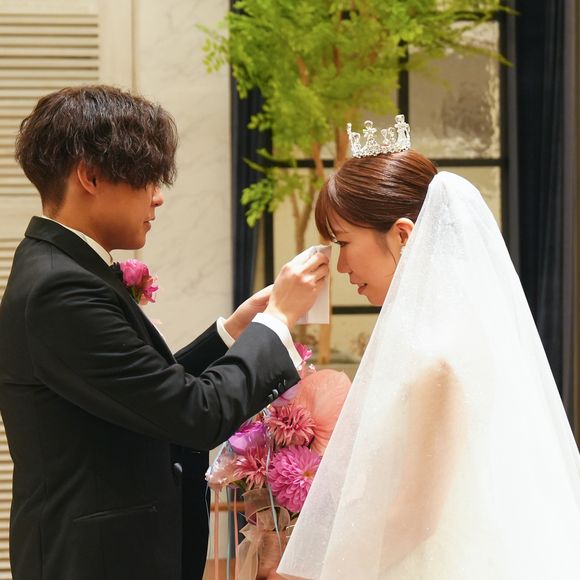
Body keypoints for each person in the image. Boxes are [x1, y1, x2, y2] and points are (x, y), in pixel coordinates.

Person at [0, 85, 329, 580]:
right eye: (147, 179)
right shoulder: (60, 288)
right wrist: (277, 320)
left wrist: (235, 330)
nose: (158, 197)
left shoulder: (65, 269)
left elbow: (145, 390)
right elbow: (194, 414)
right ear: (90, 176)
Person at [278, 116, 580, 579]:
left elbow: (414, 519)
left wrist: (313, 572)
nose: (340, 267)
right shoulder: (445, 336)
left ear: (402, 235)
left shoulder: (436, 356)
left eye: (345, 243)